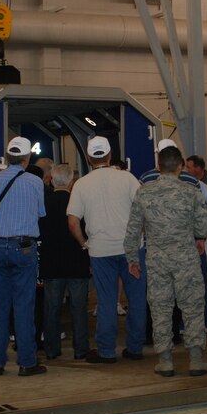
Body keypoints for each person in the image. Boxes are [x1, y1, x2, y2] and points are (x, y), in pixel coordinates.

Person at [124, 145, 207, 377]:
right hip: (186, 259)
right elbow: (204, 225)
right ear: (181, 167)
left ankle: (165, 361)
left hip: (157, 261)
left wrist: (132, 258)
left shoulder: (144, 192)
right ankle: (195, 359)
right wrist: (195, 235)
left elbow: (133, 229)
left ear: (158, 166)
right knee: (192, 308)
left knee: (160, 308)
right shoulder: (191, 191)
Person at [68, 136, 146, 364]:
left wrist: (84, 242)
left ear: (89, 158)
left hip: (100, 251)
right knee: (137, 299)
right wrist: (140, 234)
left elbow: (73, 222)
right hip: (131, 249)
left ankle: (106, 350)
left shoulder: (81, 184)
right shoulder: (128, 178)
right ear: (110, 155)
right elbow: (143, 208)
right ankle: (135, 348)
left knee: (106, 300)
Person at [0, 137, 47, 376]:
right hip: (24, 248)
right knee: (23, 306)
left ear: (7, 156)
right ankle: (26, 362)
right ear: (26, 158)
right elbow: (40, 212)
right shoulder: (34, 182)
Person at [40, 164, 91, 360]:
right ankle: (81, 349)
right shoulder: (78, 202)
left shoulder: (43, 203)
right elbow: (85, 229)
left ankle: (52, 349)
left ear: (51, 180)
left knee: (52, 308)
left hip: (51, 263)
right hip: (76, 261)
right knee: (78, 308)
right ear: (71, 182)